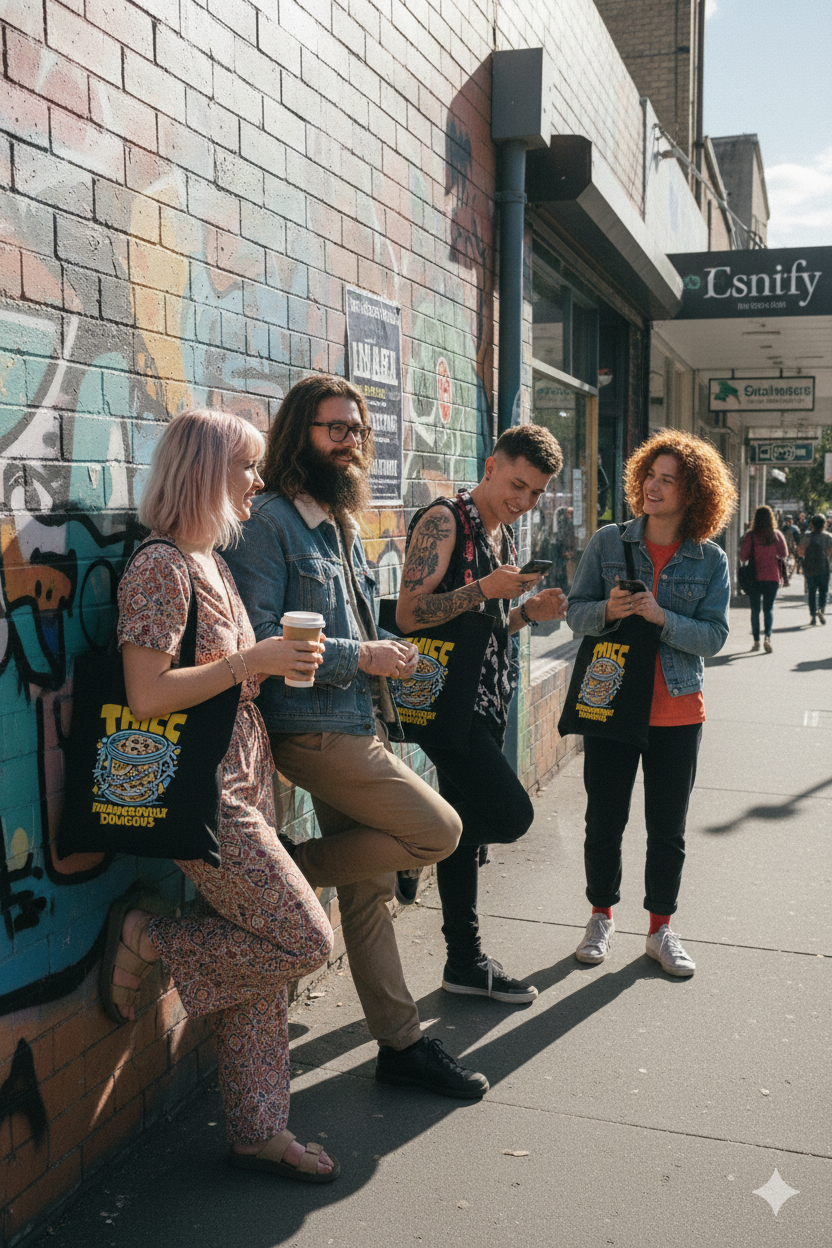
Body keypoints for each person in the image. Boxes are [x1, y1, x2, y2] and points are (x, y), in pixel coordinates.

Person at [223, 375, 489, 1100]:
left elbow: (350, 618)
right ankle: (290, 872)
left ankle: (400, 1046)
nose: (349, 441)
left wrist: (388, 641)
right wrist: (360, 656)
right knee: (439, 830)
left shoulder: (337, 522)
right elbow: (259, 637)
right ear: (297, 435)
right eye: (334, 427)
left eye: (356, 430)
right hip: (308, 729)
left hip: (355, 718)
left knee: (369, 889)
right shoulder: (271, 521)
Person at [102, 408, 339, 1182]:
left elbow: (223, 674)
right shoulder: (161, 566)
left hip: (244, 770)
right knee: (303, 939)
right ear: (204, 471)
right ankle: (149, 937)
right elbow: (145, 695)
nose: (258, 482)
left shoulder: (211, 562)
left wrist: (266, 663)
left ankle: (258, 1128)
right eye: (245, 467)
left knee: (263, 967)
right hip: (205, 791)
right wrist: (250, 663)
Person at [394, 425, 567, 1002]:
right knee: (512, 815)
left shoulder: (504, 538)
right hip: (449, 706)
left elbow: (490, 627)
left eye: (537, 493)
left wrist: (527, 614)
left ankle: (463, 962)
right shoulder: (444, 520)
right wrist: (485, 590)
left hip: (485, 703)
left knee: (465, 828)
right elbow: (411, 614)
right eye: (518, 484)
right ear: (491, 466)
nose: (524, 500)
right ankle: (415, 844)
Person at [567, 429, 734, 977]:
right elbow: (575, 612)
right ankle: (600, 916)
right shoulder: (608, 543)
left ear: (695, 494)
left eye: (669, 480)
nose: (653, 487)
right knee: (604, 820)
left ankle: (661, 929)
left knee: (668, 828)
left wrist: (661, 617)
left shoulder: (709, 560)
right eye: (649, 476)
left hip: (678, 710)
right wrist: (609, 611)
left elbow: (713, 638)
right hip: (612, 701)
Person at [740, 506, 789, 652]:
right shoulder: (776, 535)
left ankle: (756, 641)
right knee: (768, 609)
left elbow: (743, 556)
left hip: (754, 577)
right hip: (772, 577)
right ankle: (767, 637)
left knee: (755, 610)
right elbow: (784, 554)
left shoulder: (750, 536)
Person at [798, 514, 832, 625]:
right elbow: (830, 551)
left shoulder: (806, 537)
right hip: (824, 567)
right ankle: (821, 609)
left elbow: (801, 552)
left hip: (810, 568)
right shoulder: (827, 536)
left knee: (811, 592)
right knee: (823, 591)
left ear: (811, 524)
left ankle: (813, 615)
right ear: (824, 524)